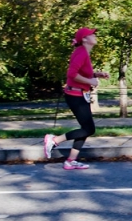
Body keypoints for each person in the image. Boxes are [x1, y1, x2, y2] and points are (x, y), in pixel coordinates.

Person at [43, 27, 110, 170]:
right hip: (75, 95)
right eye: (92, 34)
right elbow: (72, 74)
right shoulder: (81, 53)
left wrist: (97, 75)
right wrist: (91, 82)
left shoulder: (83, 52)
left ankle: (71, 160)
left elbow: (81, 72)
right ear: (84, 39)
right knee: (89, 129)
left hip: (79, 94)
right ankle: (54, 140)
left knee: (86, 129)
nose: (95, 35)